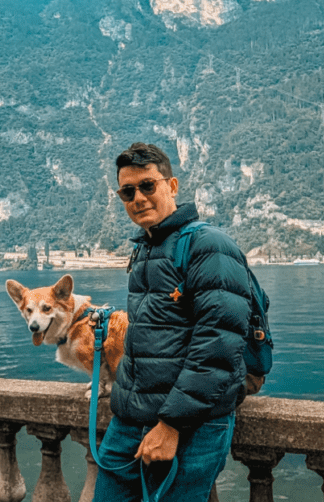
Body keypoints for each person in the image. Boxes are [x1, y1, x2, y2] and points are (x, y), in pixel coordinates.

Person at [93, 142, 253, 502]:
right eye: (127, 191)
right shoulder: (145, 249)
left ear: (172, 186)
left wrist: (171, 424)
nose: (138, 198)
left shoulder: (209, 246)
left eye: (148, 185)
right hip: (129, 424)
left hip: (189, 427)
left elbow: (219, 345)